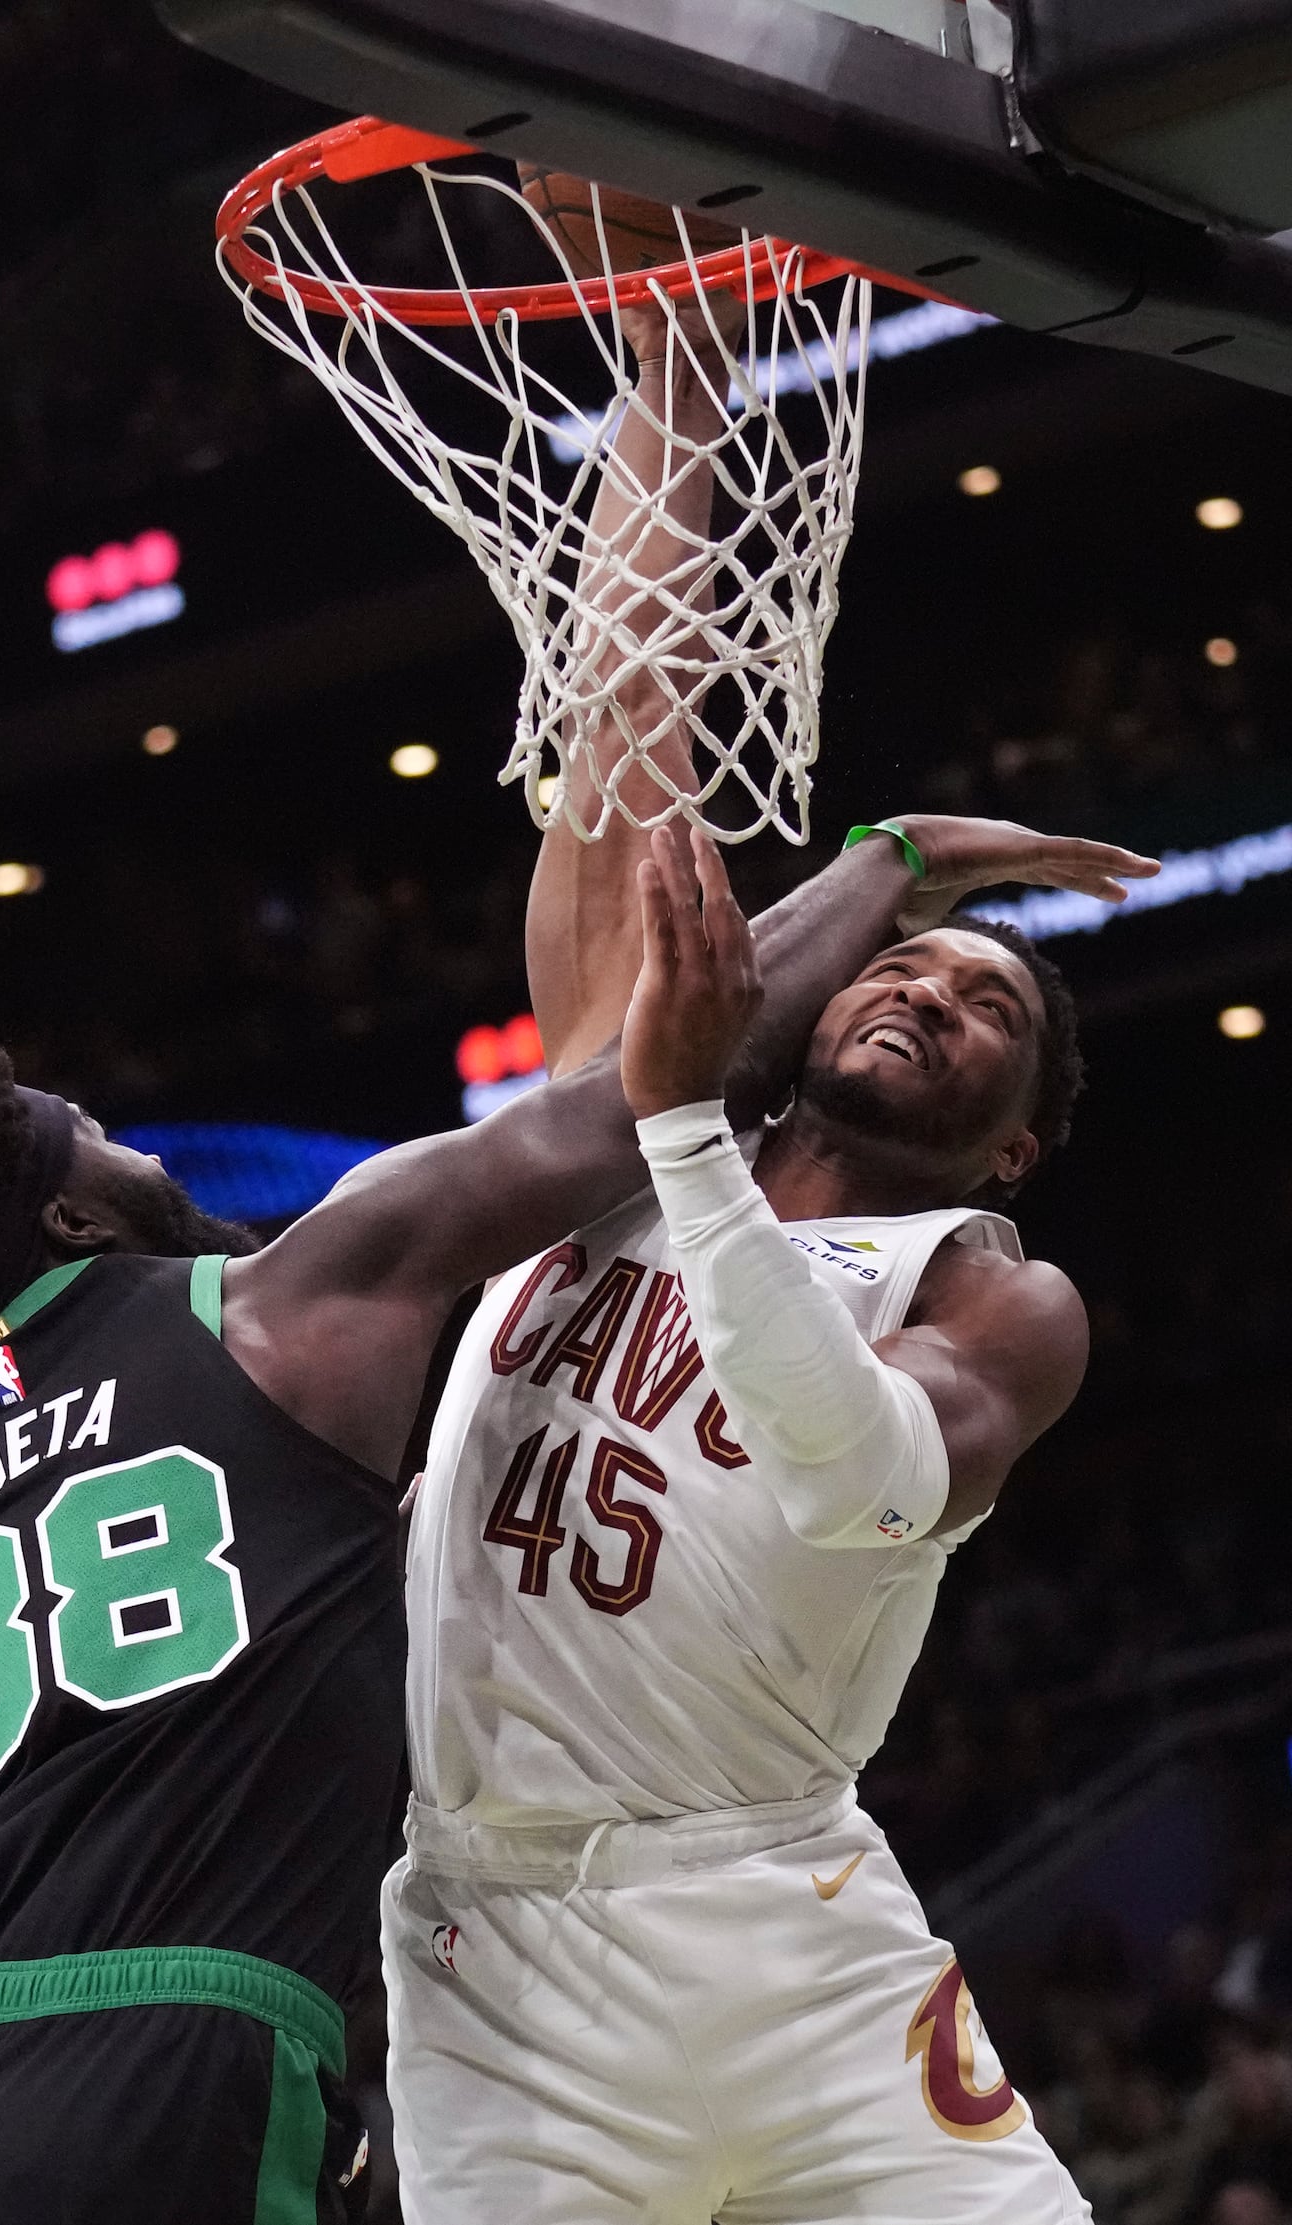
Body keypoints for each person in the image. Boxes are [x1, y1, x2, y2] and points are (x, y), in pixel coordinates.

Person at [0, 818, 1002, 2225]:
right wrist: (890, 871)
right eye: (106, 1140)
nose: (140, 1151)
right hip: (170, 2066)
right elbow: (650, 1088)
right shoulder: (272, 1314)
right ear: (70, 1218)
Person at [381, 287, 1161, 2223]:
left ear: (1011, 1139)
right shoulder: (612, 1149)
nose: (924, 987)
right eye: (905, 962)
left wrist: (671, 1131)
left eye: (980, 1006)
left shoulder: (986, 1295)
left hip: (787, 1923)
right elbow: (625, 707)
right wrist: (671, 371)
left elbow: (849, 1473)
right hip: (493, 1957)